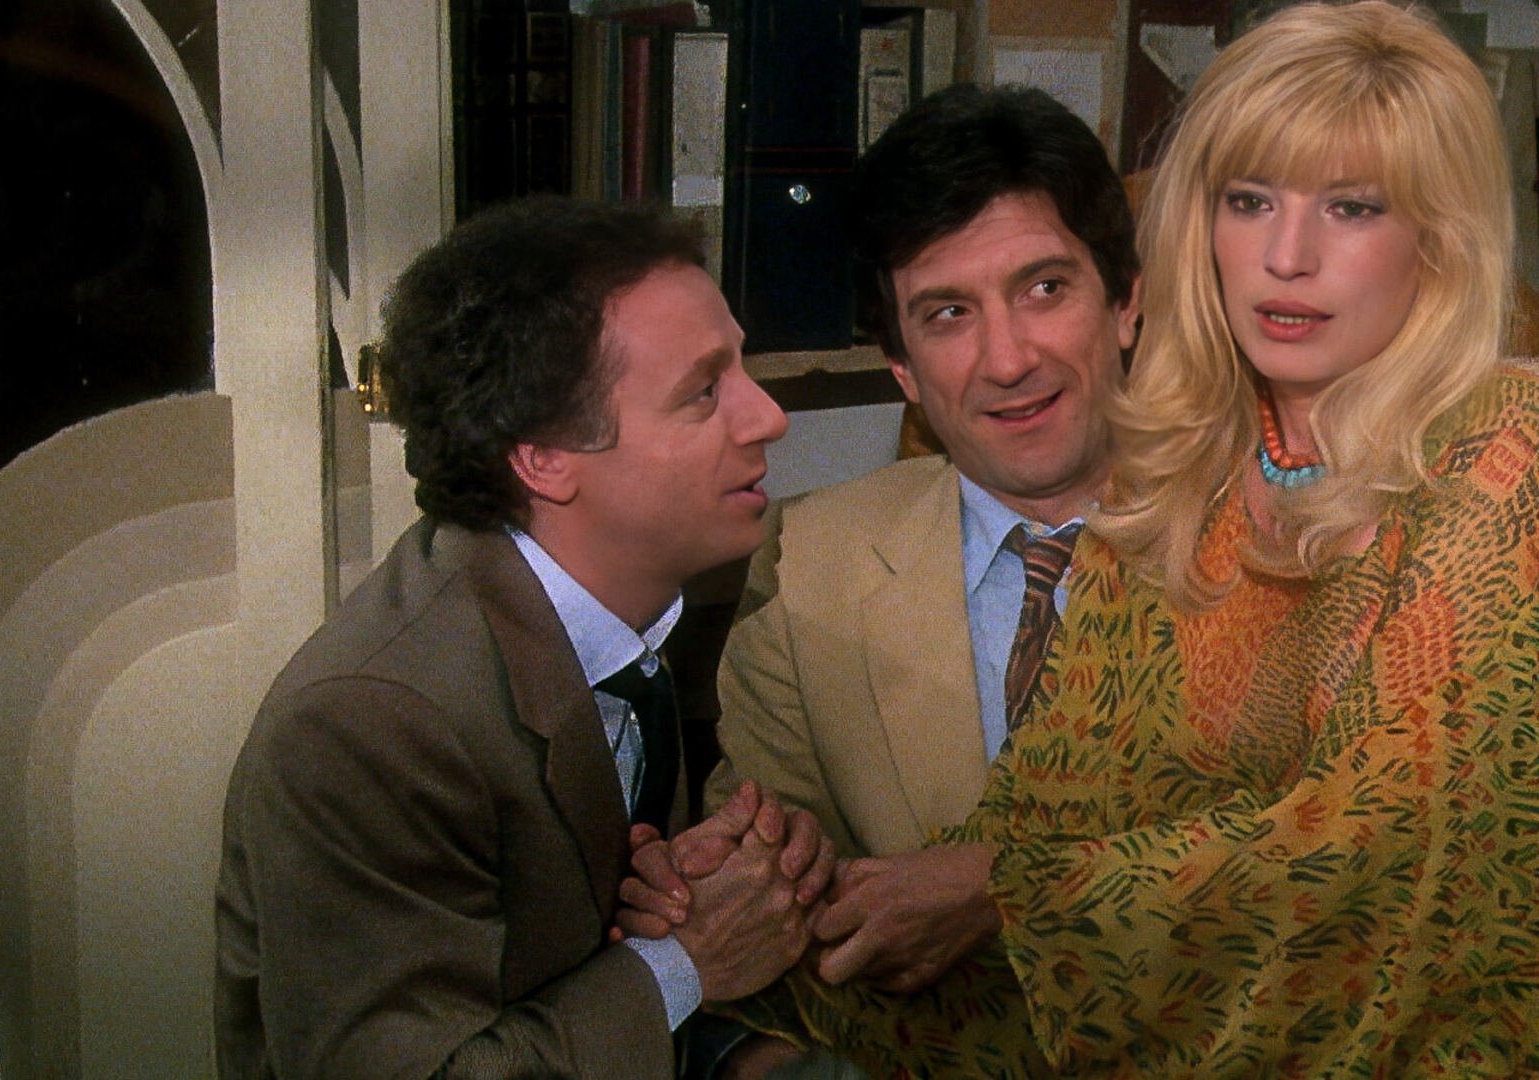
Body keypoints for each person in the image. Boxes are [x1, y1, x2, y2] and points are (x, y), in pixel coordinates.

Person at [687, 3, 1539, 1075]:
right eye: (1249, 201)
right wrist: (702, 931)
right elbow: (1042, 823)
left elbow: (1407, 845)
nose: (1287, 256)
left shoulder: (1509, 450)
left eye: (1353, 207)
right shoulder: (1194, 487)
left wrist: (1007, 895)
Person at [213, 195, 835, 1079]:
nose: (767, 416)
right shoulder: (369, 723)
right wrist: (688, 962)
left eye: (742, 367)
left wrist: (724, 890)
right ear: (542, 455)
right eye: (704, 391)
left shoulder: (630, 612)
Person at [618, 83, 1138, 1076]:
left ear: (1126, 304)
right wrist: (709, 890)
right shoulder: (812, 559)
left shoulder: (1284, 544)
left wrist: (1007, 891)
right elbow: (779, 905)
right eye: (948, 314)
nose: (1008, 358)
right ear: (901, 367)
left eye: (1044, 289)